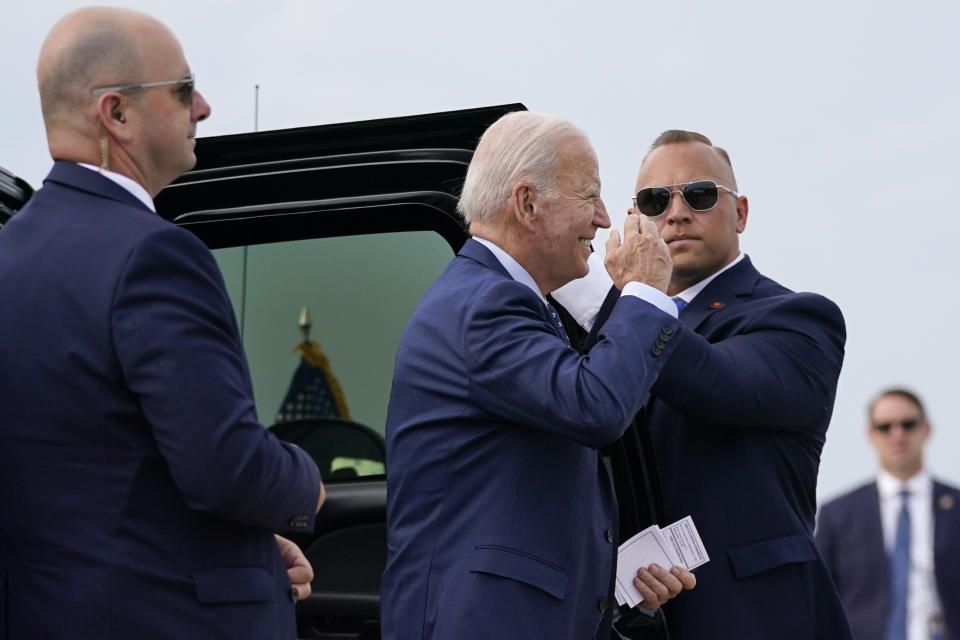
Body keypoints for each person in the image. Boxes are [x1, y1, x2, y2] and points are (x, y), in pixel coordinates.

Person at [0, 8, 323, 639]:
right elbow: (225, 467)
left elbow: (101, 475)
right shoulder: (153, 254)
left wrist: (247, 549)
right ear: (115, 114)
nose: (201, 106)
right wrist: (306, 484)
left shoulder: (10, 256)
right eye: (182, 90)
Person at [380, 111, 696, 640]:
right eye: (589, 196)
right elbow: (595, 408)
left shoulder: (514, 302)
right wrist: (643, 293)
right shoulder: (484, 303)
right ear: (527, 203)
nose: (601, 218)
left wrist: (613, 582)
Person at [553, 129, 851, 639]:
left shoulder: (799, 317)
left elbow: (720, 383)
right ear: (635, 217)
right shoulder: (609, 329)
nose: (676, 213)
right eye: (654, 200)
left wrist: (631, 300)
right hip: (629, 612)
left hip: (756, 616)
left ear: (740, 213)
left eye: (700, 194)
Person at [815, 388, 960, 640]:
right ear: (870, 434)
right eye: (885, 427)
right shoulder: (838, 515)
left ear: (926, 429)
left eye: (908, 424)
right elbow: (818, 598)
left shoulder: (955, 506)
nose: (898, 435)